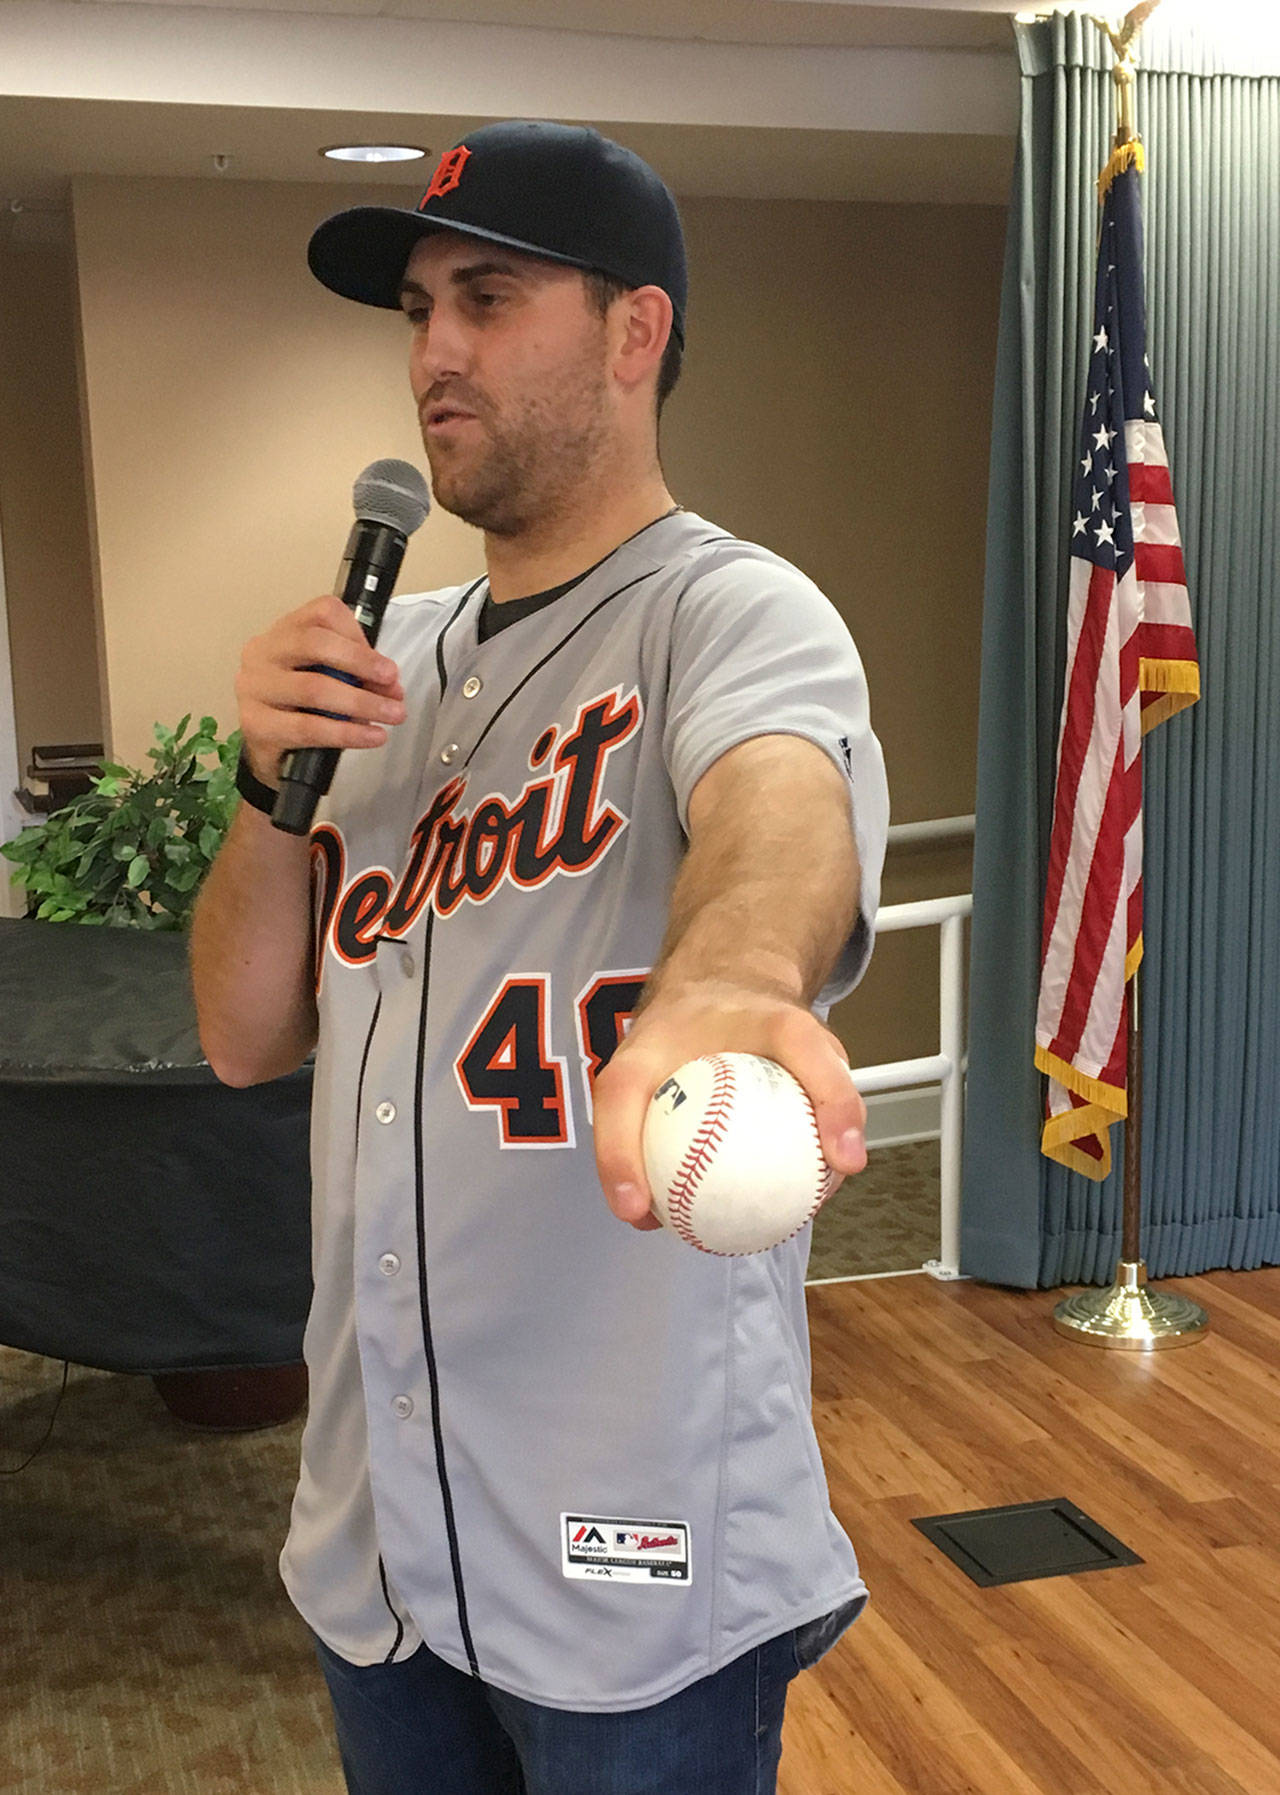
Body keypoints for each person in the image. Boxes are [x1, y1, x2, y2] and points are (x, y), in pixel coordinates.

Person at [190, 119, 889, 1795]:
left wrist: (728, 981)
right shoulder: (385, 662)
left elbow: (776, 803)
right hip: (378, 1542)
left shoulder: (730, 611)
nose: (433, 352)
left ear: (635, 332)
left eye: (488, 298)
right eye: (418, 307)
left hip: (628, 1537)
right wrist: (255, 791)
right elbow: (235, 1034)